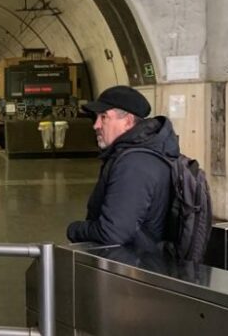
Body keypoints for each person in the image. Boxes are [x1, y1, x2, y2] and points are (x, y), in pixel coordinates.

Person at [66, 85, 179, 252]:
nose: (96, 125)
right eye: (96, 118)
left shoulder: (134, 164)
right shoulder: (138, 155)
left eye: (104, 117)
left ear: (127, 121)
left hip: (137, 266)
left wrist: (75, 229)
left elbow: (113, 233)